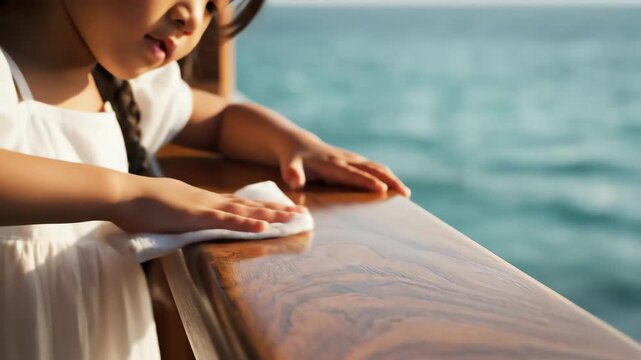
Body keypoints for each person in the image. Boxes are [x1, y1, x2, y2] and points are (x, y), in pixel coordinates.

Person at [0, 0, 410, 358]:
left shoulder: (122, 90)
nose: (193, 19)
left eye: (213, 6)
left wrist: (297, 144)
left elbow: (218, 119)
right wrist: (128, 195)